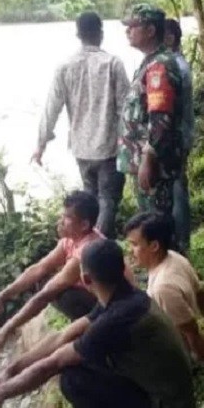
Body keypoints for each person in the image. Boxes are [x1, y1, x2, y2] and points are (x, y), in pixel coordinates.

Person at [0, 239, 196, 408]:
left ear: (86, 280)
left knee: (73, 380)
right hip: (172, 388)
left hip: (168, 404)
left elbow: (51, 364)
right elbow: (62, 336)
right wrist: (12, 369)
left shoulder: (115, 318)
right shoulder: (124, 296)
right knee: (78, 360)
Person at [0, 191, 133, 358]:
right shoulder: (71, 240)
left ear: (84, 224)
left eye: (67, 217)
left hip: (118, 309)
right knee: (43, 279)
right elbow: (38, 268)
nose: (60, 221)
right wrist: (2, 297)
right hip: (105, 300)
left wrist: (5, 329)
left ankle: (95, 333)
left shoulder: (86, 250)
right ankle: (85, 326)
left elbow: (46, 295)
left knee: (60, 292)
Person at [124, 212, 204, 389]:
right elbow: (201, 295)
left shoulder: (163, 287)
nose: (131, 250)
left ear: (154, 246)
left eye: (135, 244)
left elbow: (193, 334)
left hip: (174, 348)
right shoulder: (174, 257)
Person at [33, 12, 129, 239]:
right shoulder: (112, 63)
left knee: (90, 200)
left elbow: (51, 108)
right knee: (107, 200)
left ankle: (88, 251)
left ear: (78, 35)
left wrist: (41, 144)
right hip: (109, 146)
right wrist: (131, 144)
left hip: (81, 147)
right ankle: (97, 250)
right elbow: (126, 108)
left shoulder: (65, 67)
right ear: (101, 33)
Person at [118, 4, 184, 217]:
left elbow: (160, 117)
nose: (128, 31)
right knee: (151, 220)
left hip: (154, 163)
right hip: (143, 160)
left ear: (150, 31)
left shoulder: (159, 67)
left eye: (133, 26)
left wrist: (148, 158)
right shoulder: (150, 62)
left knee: (156, 222)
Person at [164, 18, 193, 255]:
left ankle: (181, 245)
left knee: (177, 190)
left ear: (170, 38)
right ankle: (179, 242)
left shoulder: (176, 67)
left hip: (175, 138)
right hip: (178, 136)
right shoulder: (175, 63)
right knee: (177, 188)